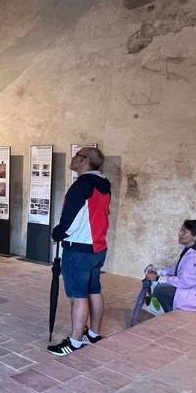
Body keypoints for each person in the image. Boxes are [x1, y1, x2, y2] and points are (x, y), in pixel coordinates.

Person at [48, 147, 111, 357]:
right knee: (94, 290)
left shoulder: (81, 185)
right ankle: (93, 333)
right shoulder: (103, 185)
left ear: (85, 161)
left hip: (79, 249)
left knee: (78, 296)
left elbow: (71, 220)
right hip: (97, 247)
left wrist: (58, 232)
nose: (73, 158)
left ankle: (75, 342)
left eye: (77, 156)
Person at [145, 220, 196, 314]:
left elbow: (186, 282)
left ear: (195, 236)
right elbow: (182, 270)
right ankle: (160, 308)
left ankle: (169, 314)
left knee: (161, 289)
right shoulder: (192, 249)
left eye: (184, 231)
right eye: (181, 230)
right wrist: (160, 272)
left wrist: (158, 278)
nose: (180, 233)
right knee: (155, 283)